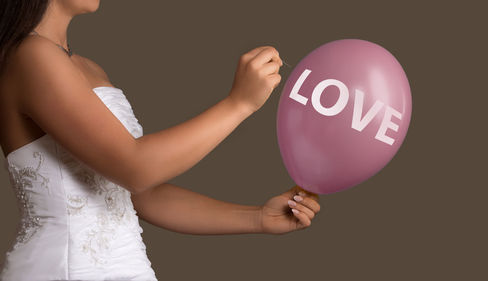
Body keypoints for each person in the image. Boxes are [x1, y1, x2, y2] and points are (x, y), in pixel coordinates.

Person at [0, 0, 321, 280]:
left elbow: (140, 194)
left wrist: (257, 218)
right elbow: (135, 168)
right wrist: (239, 104)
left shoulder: (86, 67)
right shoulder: (31, 55)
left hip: (130, 267)